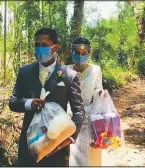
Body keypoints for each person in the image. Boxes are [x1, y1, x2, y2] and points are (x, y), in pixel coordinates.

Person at [9, 28, 85, 167]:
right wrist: (29, 103)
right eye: (36, 45)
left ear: (55, 47)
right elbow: (13, 102)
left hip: (58, 147)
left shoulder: (68, 75)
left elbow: (79, 111)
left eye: (44, 45)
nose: (39, 48)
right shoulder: (25, 72)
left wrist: (69, 138)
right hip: (30, 144)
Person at [67, 37, 114, 166]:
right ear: (72, 52)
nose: (80, 55)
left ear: (89, 53)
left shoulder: (95, 70)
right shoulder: (64, 70)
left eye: (84, 53)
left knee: (90, 154)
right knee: (70, 154)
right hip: (69, 117)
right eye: (77, 52)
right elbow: (58, 88)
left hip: (88, 116)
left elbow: (98, 88)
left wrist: (101, 93)